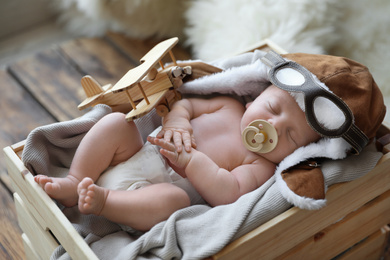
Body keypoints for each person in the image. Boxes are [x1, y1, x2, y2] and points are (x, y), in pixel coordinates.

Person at [34, 83, 320, 231]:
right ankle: (75, 180)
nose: (275, 127)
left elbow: (228, 192)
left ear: (296, 154)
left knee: (176, 201)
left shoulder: (261, 165)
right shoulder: (228, 106)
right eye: (271, 107)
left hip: (146, 196)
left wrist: (191, 162)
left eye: (292, 136)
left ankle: (104, 202)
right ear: (252, 98)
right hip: (135, 151)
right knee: (118, 123)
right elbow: (183, 105)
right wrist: (177, 122)